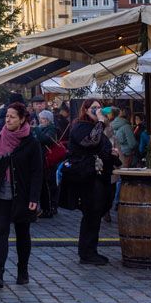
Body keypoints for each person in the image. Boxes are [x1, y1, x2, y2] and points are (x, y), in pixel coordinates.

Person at [0, 101, 42, 289]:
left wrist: (34, 198)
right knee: (1, 231)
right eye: (7, 116)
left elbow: (37, 172)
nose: (8, 119)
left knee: (23, 234)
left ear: (22, 119)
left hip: (22, 196)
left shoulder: (31, 142)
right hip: (0, 195)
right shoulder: (0, 137)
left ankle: (22, 270)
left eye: (12, 116)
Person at [61, 98, 114, 265]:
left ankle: (91, 250)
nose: (97, 109)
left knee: (96, 213)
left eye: (99, 107)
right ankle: (87, 252)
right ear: (85, 109)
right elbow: (91, 142)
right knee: (91, 212)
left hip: (98, 175)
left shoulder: (95, 126)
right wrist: (99, 122)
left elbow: (101, 145)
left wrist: (112, 153)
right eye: (94, 107)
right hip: (86, 176)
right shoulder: (80, 127)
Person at [33, 109, 59, 217]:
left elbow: (44, 139)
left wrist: (36, 129)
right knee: (43, 184)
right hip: (41, 159)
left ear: (48, 120)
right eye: (40, 119)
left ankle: (51, 208)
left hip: (50, 160)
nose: (41, 121)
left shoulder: (51, 129)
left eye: (43, 119)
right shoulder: (41, 128)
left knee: (49, 184)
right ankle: (45, 208)